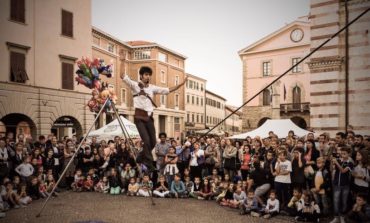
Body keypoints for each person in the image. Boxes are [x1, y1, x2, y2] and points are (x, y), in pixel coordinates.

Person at [121, 66, 187, 171]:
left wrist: (181, 84)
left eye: (149, 75)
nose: (148, 77)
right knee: (146, 141)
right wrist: (123, 61)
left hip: (149, 118)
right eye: (146, 75)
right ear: (141, 75)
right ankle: (149, 162)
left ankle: (140, 157)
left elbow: (168, 90)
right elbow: (122, 76)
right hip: (139, 117)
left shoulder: (152, 88)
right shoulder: (135, 85)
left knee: (152, 142)